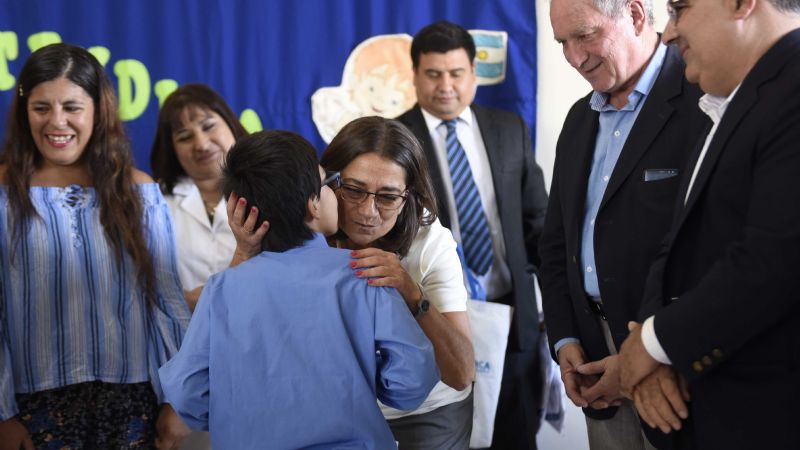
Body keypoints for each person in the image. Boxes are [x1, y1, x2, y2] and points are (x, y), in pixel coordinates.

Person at [159, 130, 440, 449]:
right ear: (313, 205)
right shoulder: (365, 274)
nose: (335, 191)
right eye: (328, 183)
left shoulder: (221, 289)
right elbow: (412, 382)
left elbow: (188, 393)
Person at [229, 116, 475, 449]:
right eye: (354, 190)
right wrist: (245, 252)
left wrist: (411, 292)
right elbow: (228, 318)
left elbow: (461, 373)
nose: (368, 212)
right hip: (330, 419)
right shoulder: (300, 226)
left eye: (388, 197)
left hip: (424, 414)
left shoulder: (429, 242)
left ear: (409, 196)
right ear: (327, 182)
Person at [617, 1, 800, 448]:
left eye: (679, 8)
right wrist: (655, 346)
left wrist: (653, 343)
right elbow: (678, 243)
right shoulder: (732, 101)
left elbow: (775, 259)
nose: (668, 33)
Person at [0, 43, 190, 450]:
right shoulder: (4, 193)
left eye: (72, 107)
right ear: (23, 111)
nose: (57, 121)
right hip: (30, 408)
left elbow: (167, 304)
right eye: (41, 108)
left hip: (133, 404)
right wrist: (2, 415)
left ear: (98, 111)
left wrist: (178, 401)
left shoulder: (138, 191)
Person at [538, 0, 707, 448]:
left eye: (585, 35)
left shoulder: (704, 99)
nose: (574, 57)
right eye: (562, 43)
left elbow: (713, 251)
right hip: (592, 359)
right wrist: (565, 339)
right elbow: (555, 244)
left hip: (674, 362)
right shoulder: (579, 119)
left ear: (634, 15)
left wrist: (646, 353)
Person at [396, 20, 549, 449]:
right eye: (433, 74)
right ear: (415, 75)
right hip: (434, 319)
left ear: (473, 74)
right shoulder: (394, 139)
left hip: (510, 315)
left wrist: (558, 306)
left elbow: (538, 221)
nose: (446, 86)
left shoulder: (509, 128)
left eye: (456, 73)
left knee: (516, 437)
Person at [150, 83, 248, 311]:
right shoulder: (154, 203)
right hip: (184, 328)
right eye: (185, 137)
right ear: (171, 149)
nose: (202, 144)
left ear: (230, 123)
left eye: (208, 126)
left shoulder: (271, 188)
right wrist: (184, 301)